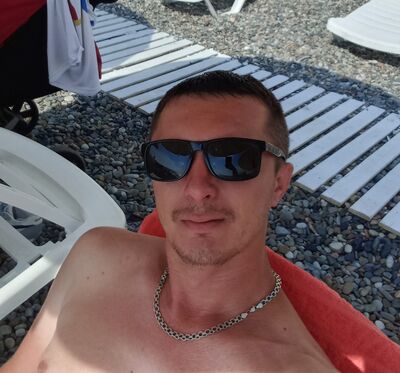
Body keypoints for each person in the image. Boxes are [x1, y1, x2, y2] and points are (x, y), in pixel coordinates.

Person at [3, 71, 339, 372]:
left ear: (278, 184)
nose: (197, 188)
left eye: (233, 159)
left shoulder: (288, 363)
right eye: (170, 158)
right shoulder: (96, 255)